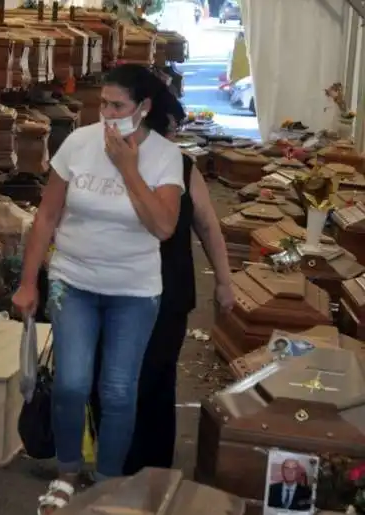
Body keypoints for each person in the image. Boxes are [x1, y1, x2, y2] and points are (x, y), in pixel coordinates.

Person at [12, 64, 186, 514]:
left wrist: (128, 169)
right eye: (102, 104)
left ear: (143, 108)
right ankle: (67, 474)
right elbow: (47, 216)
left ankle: (108, 485)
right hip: (74, 282)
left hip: (135, 290)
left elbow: (164, 226)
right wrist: (29, 281)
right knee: (71, 384)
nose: (106, 114)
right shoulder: (78, 143)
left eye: (117, 106)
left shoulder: (165, 157)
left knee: (117, 391)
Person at [89, 104, 234, 477]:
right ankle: (132, 466)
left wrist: (224, 280)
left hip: (158, 292)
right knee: (135, 378)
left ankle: (140, 468)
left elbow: (207, 226)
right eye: (170, 130)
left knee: (149, 378)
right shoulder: (109, 166)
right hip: (122, 287)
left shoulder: (182, 168)